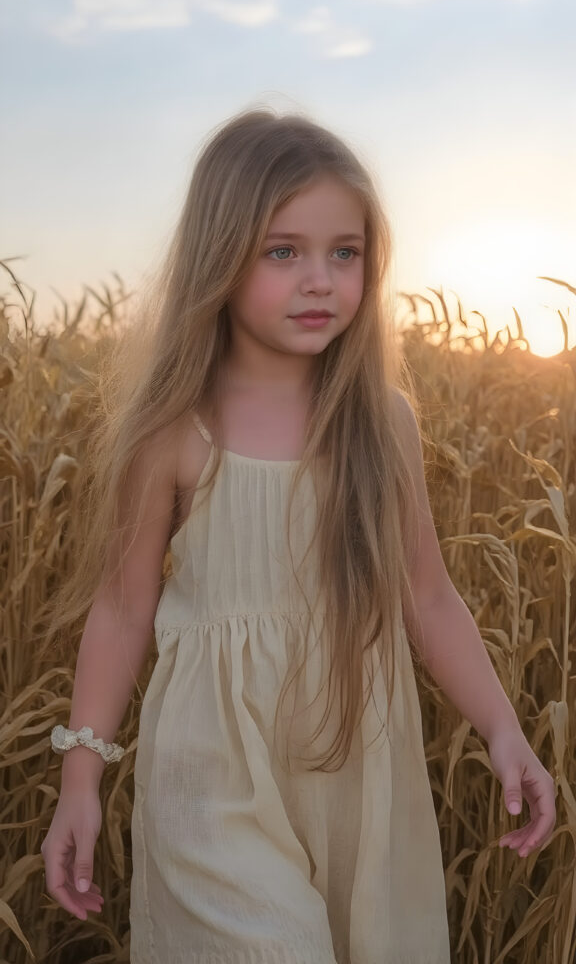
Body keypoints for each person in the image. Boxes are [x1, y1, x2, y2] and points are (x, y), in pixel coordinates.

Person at [41, 109, 556, 964]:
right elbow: (124, 608)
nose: (320, 280)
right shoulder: (175, 431)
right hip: (215, 770)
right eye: (283, 252)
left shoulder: (382, 423)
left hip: (360, 763)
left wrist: (504, 730)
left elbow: (427, 595)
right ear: (220, 256)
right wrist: (80, 777)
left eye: (344, 253)